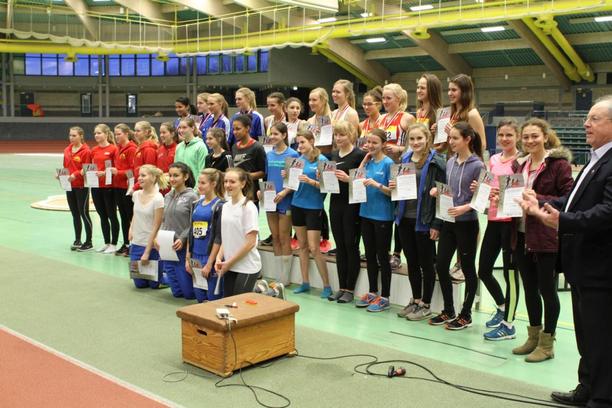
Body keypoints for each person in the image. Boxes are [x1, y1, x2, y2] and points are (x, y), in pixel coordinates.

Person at [519, 96, 612, 407]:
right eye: (587, 118)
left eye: (595, 119)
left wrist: (562, 220)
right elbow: (573, 202)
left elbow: (607, 212)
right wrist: (541, 202)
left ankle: (603, 397)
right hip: (583, 265)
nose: (586, 124)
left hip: (601, 266)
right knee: (587, 335)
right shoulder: (596, 158)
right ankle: (587, 387)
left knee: (601, 337)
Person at [510, 118, 573, 362]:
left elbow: (569, 198)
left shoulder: (558, 165)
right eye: (526, 137)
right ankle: (533, 336)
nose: (530, 141)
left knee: (547, 290)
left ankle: (547, 344)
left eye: (535, 136)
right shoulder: (519, 164)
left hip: (546, 235)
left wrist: (539, 198)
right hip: (521, 233)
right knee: (529, 288)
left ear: (545, 137)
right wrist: (501, 197)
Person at [429, 122, 484, 329]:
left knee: (468, 268)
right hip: (448, 222)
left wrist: (465, 208)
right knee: (442, 265)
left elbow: (482, 198)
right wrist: (438, 192)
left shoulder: (478, 165)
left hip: (467, 224)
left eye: (455, 138)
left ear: (467, 139)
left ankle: (466, 314)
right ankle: (448, 310)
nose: (451, 142)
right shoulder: (450, 162)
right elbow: (449, 190)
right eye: (449, 138)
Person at [392, 124, 446, 321]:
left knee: (426, 263)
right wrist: (394, 186)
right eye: (412, 139)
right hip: (405, 218)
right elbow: (398, 190)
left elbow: (443, 194)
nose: (415, 142)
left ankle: (426, 304)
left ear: (427, 139)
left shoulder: (437, 162)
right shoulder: (404, 159)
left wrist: (437, 224)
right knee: (412, 262)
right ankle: (415, 300)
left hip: (424, 220)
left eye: (419, 138)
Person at [475, 119, 521, 340]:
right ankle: (502, 306)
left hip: (511, 223)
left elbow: (519, 192)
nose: (504, 139)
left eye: (509, 135)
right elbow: (488, 186)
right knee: (484, 270)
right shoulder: (493, 159)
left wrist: (500, 195)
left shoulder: (521, 161)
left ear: (517, 137)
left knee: (509, 274)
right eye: (501, 135)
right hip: (493, 219)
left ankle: (508, 325)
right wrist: (480, 190)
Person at [354, 128, 394, 312]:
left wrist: (377, 185)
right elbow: (356, 179)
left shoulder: (388, 163)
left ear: (383, 144)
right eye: (368, 142)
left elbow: (393, 192)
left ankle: (385, 297)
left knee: (382, 256)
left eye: (374, 142)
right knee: (369, 255)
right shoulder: (368, 162)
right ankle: (372, 291)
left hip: (382, 216)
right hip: (366, 213)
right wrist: (364, 160)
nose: (370, 145)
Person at [327, 121, 365, 304]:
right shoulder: (333, 155)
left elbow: (363, 183)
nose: (338, 138)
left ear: (351, 135)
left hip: (352, 205)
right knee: (340, 246)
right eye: (336, 135)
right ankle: (341, 287)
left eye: (342, 134)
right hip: (335, 204)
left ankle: (350, 289)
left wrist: (348, 179)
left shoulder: (359, 155)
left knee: (351, 245)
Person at [290, 130, 332, 297]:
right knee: (302, 246)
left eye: (303, 142)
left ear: (312, 141)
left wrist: (311, 181)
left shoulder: (322, 160)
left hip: (313, 207)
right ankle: (305, 282)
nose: (299, 146)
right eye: (298, 143)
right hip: (297, 205)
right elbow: (292, 184)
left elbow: (328, 187)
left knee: (314, 248)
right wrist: (287, 177)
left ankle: (327, 286)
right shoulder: (297, 161)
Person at [214, 167, 262, 297]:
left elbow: (250, 242)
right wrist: (219, 257)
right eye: (226, 181)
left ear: (243, 183)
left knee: (240, 304)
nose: (228, 185)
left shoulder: (248, 207)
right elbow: (226, 236)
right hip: (229, 265)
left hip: (247, 267)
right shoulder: (225, 206)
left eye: (232, 182)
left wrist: (229, 262)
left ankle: (269, 292)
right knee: (229, 303)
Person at [263, 122, 299, 284]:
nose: (272, 137)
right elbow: (267, 177)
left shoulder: (293, 154)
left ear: (284, 135)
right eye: (271, 134)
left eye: (276, 134)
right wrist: (262, 191)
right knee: (275, 237)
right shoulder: (268, 154)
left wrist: (284, 192)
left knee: (285, 237)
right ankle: (279, 276)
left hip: (285, 200)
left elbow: (294, 180)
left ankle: (286, 278)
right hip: (270, 200)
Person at [160, 162, 199, 299]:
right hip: (167, 245)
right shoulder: (167, 196)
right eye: (170, 175)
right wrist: (158, 237)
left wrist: (183, 238)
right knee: (176, 293)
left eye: (176, 175)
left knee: (188, 294)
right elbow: (163, 220)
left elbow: (193, 222)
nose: (172, 179)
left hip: (182, 246)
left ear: (185, 177)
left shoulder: (192, 197)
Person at [187, 168, 225, 303]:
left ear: (213, 184)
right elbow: (191, 232)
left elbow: (219, 237)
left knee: (213, 299)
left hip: (209, 257)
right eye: (199, 182)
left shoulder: (220, 205)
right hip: (196, 256)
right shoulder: (196, 204)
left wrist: (210, 263)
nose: (199, 186)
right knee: (200, 298)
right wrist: (188, 258)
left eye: (203, 183)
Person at [129, 164, 166, 289]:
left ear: (153, 177)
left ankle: (166, 275)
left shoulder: (158, 199)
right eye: (139, 175)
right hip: (136, 243)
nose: (139, 178)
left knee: (154, 285)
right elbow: (135, 214)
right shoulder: (136, 195)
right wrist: (131, 229)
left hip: (151, 246)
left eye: (143, 175)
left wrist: (147, 252)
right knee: (139, 284)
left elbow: (156, 226)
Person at [306, 87, 333, 253]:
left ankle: (324, 236)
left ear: (323, 100)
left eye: (314, 100)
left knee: (321, 198)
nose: (311, 103)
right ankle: (317, 235)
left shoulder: (333, 118)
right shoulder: (309, 121)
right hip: (312, 161)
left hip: (328, 161)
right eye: (309, 100)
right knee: (313, 198)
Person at [60, 126, 92, 252]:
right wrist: (61, 175)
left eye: (74, 135)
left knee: (84, 213)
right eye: (70, 135)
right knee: (75, 214)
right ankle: (77, 239)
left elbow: (87, 168)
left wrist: (76, 175)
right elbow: (65, 166)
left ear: (81, 136)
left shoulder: (86, 151)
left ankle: (89, 241)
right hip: (70, 186)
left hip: (81, 186)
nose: (71, 138)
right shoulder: (67, 150)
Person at [89, 124, 120, 254]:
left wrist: (105, 173)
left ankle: (114, 243)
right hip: (96, 187)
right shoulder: (94, 150)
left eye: (99, 133)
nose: (96, 135)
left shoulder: (113, 149)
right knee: (102, 216)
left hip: (109, 187)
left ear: (106, 134)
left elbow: (116, 168)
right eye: (95, 133)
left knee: (112, 215)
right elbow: (91, 166)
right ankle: (106, 242)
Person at [111, 123, 137, 256]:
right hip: (118, 187)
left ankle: (133, 244)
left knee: (130, 217)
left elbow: (133, 171)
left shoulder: (132, 149)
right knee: (123, 216)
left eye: (119, 134)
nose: (116, 137)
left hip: (127, 188)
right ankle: (126, 243)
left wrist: (119, 172)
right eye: (115, 134)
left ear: (126, 134)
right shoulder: (118, 149)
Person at [231, 115, 267, 207]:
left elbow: (263, 172)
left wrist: (244, 176)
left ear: (247, 128)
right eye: (233, 129)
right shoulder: (234, 147)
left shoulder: (257, 147)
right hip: (237, 191)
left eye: (238, 129)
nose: (235, 132)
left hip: (251, 192)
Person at [379, 83, 415, 162]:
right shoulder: (380, 118)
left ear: (398, 99)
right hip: (382, 164)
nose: (385, 101)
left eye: (388, 98)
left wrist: (399, 149)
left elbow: (416, 144)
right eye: (383, 98)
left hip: (399, 163)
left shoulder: (407, 118)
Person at [132, 121, 159, 191]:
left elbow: (149, 172)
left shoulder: (149, 149)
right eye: (135, 130)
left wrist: (136, 186)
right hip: (139, 184)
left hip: (145, 187)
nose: (135, 133)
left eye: (138, 131)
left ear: (146, 132)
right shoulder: (140, 147)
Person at [157, 122, 178, 196]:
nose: (161, 135)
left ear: (172, 134)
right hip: (160, 189)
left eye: (164, 132)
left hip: (173, 189)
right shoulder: (159, 149)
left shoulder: (178, 149)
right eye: (160, 133)